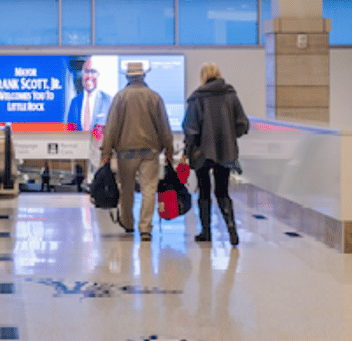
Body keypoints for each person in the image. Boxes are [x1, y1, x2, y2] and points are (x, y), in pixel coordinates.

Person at [100, 61, 175, 242]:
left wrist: (106, 152)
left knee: (126, 190)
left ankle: (128, 223)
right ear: (143, 76)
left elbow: (111, 127)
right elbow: (164, 127)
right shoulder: (154, 97)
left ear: (127, 76)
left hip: (125, 151)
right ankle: (145, 228)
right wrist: (169, 149)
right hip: (150, 151)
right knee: (149, 189)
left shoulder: (120, 97)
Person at [182, 62, 250, 245]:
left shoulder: (197, 98)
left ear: (203, 76)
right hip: (226, 152)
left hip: (202, 153)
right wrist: (229, 136)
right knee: (222, 191)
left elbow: (190, 128)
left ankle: (206, 232)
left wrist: (188, 150)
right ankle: (232, 230)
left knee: (204, 190)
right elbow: (243, 124)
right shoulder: (230, 95)